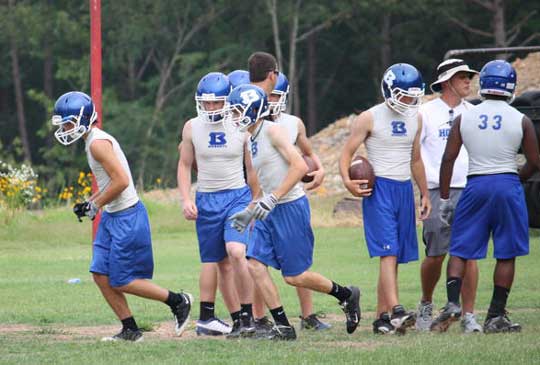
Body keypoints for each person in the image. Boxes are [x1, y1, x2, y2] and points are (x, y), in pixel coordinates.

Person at [52, 91, 192, 342]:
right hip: (112, 216)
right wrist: (90, 203)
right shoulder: (92, 139)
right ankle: (130, 329)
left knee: (122, 280)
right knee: (100, 274)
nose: (66, 128)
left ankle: (178, 301)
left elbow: (122, 181)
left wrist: (96, 205)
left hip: (127, 216)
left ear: (84, 118)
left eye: (69, 122)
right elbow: (110, 183)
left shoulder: (97, 143)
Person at [228, 81, 361, 341]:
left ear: (252, 109)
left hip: (289, 207)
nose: (233, 116)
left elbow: (300, 166)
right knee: (254, 264)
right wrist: (252, 209)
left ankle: (346, 295)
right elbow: (266, 181)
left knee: (295, 277)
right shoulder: (251, 138)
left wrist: (273, 198)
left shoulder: (273, 132)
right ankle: (284, 327)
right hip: (270, 209)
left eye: (236, 111)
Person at [431, 60, 540, 333]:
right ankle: (495, 315)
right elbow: (535, 161)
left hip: (475, 184)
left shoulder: (465, 116)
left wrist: (444, 198)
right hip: (507, 184)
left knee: (460, 249)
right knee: (506, 253)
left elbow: (448, 159)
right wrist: (518, 177)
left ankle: (453, 303)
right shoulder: (521, 119)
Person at [339, 63, 431, 335]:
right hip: (379, 190)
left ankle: (381, 318)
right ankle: (398, 310)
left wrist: (424, 193)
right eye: (403, 94)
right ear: (389, 91)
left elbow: (415, 159)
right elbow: (346, 155)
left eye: (412, 94)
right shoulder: (369, 117)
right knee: (388, 252)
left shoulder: (416, 117)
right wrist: (348, 182)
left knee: (394, 256)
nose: (408, 100)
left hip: (403, 189)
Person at [178, 72, 257, 338]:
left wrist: (256, 202)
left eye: (217, 102)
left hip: (237, 196)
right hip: (207, 198)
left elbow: (251, 169)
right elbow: (185, 164)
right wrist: (186, 198)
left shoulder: (241, 126)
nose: (211, 108)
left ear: (228, 101)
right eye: (206, 102)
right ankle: (236, 320)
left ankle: (248, 316)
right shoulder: (191, 127)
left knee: (236, 251)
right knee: (218, 262)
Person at [416, 59, 482, 333]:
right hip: (434, 189)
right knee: (435, 254)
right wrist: (422, 194)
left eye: (470, 76)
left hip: (469, 189)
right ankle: (426, 305)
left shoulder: (476, 112)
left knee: (469, 254)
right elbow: (415, 156)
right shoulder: (425, 112)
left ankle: (468, 315)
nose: (469, 81)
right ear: (446, 82)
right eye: (463, 77)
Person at [267, 72, 330, 331]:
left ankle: (308, 316)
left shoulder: (293, 123)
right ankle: (262, 320)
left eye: (275, 96)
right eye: (268, 95)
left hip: (292, 200)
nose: (271, 100)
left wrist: (322, 169)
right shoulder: (251, 124)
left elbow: (309, 153)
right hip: (264, 201)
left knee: (300, 264)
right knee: (256, 262)